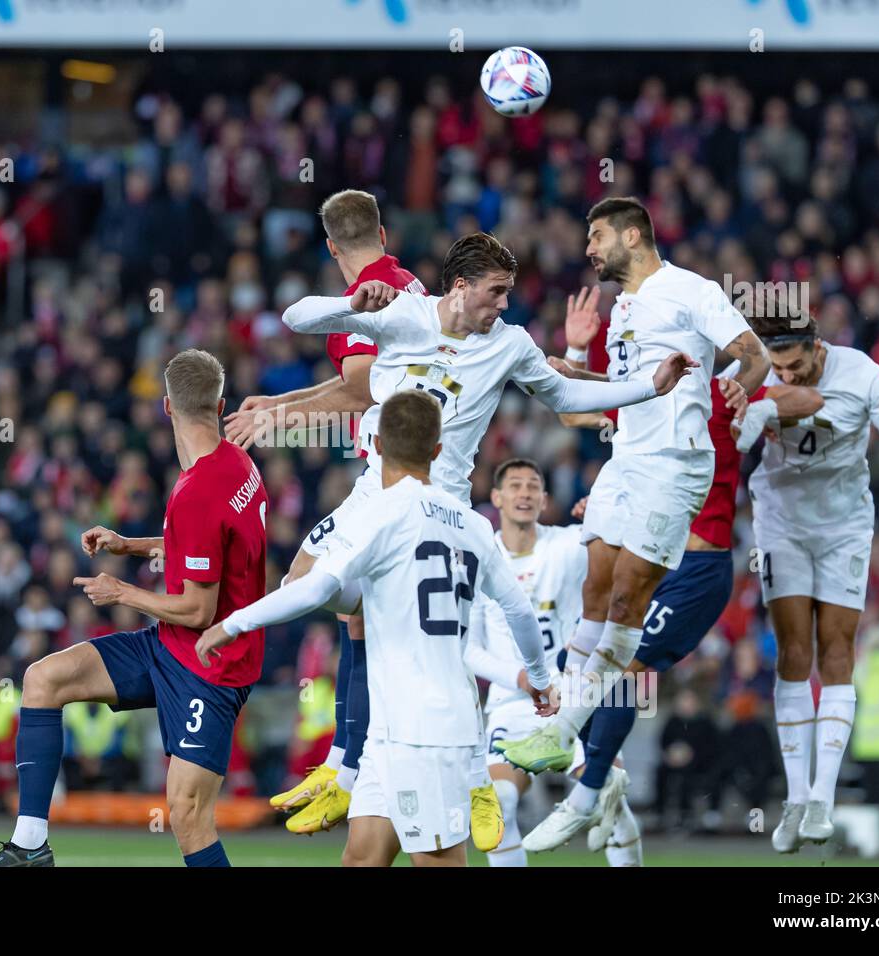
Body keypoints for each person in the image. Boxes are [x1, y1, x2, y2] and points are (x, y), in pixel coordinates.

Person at [273, 230, 697, 842]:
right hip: (375, 490)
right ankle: (345, 765)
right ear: (461, 286)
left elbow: (566, 394)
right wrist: (351, 307)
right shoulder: (403, 314)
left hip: (439, 509)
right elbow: (297, 316)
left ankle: (463, 776)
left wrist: (646, 387)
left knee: (438, 644)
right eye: (496, 293)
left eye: (509, 294)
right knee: (311, 589)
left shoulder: (511, 345)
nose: (503, 305)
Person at [491, 196, 771, 851]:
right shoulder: (618, 314)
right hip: (626, 459)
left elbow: (751, 354)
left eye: (595, 236)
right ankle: (583, 765)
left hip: (675, 463)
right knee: (594, 594)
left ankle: (565, 743)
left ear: (632, 233)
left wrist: (738, 382)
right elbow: (596, 403)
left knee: (624, 603)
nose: (588, 250)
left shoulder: (689, 290)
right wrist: (575, 358)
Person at [512, 282, 821, 855]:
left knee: (624, 666)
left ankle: (587, 791)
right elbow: (579, 412)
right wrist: (576, 356)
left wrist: (760, 396)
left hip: (699, 571)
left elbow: (809, 402)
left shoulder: (722, 399)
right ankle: (607, 788)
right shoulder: (655, 401)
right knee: (598, 664)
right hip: (650, 556)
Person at [197, 391, 556, 867]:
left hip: (425, 734)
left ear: (377, 445)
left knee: (438, 861)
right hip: (393, 730)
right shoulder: (472, 525)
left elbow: (310, 588)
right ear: (437, 450)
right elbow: (518, 610)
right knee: (361, 858)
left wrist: (235, 622)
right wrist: (540, 677)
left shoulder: (378, 515)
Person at [0, 349, 268, 867]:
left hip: (211, 665)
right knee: (43, 680)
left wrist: (120, 593)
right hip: (171, 646)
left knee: (186, 815)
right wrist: (128, 544)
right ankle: (31, 845)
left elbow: (198, 609)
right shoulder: (238, 464)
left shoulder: (199, 490)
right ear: (220, 403)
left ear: (166, 407)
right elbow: (199, 546)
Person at [224, 189, 424, 831]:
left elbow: (361, 389)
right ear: (383, 232)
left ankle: (355, 757)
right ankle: (347, 757)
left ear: (331, 246)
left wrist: (279, 417)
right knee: (355, 608)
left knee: (305, 583)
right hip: (403, 468)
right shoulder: (402, 280)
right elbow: (358, 383)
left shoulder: (364, 295)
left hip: (395, 478)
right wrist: (277, 402)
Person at [745, 314, 879, 852]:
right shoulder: (753, 370)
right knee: (793, 654)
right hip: (780, 521)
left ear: (817, 349)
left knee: (837, 653)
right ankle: (796, 798)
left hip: (844, 526)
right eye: (778, 368)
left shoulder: (864, 374)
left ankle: (823, 796)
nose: (787, 376)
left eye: (796, 365)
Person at [462, 458, 641, 867]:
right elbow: (467, 648)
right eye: (515, 486)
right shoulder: (477, 558)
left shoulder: (568, 545)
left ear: (544, 499)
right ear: (496, 498)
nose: (524, 493)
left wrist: (604, 514)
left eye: (533, 486)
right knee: (499, 803)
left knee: (612, 804)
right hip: (511, 704)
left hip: (572, 703)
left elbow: (629, 540)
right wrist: (520, 677)